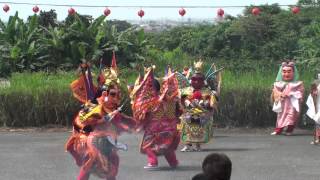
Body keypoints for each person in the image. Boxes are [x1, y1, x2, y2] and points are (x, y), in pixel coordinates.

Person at [65, 59, 136, 180]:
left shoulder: (114, 110)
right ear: (104, 95)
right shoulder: (94, 107)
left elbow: (122, 121)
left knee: (113, 163)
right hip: (93, 140)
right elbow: (81, 121)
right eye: (113, 94)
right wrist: (99, 121)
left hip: (109, 141)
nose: (116, 98)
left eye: (118, 94)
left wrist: (132, 125)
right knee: (91, 160)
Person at [130, 67, 182, 169]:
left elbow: (145, 117)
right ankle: (174, 163)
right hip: (170, 129)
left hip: (155, 130)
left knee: (148, 145)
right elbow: (177, 113)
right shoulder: (170, 100)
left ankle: (153, 162)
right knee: (167, 148)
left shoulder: (151, 102)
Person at [180, 60, 219, 151]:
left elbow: (211, 103)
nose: (196, 82)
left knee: (200, 129)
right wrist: (188, 103)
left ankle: (198, 145)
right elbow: (182, 101)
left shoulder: (207, 91)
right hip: (189, 114)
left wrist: (203, 103)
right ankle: (187, 145)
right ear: (191, 80)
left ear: (203, 81)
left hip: (202, 114)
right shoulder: (186, 90)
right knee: (187, 128)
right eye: (194, 79)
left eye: (199, 80)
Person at [270, 61, 304, 136]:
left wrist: (292, 94)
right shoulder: (278, 83)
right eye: (284, 72)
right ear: (281, 73)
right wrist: (280, 94)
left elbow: (300, 92)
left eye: (289, 72)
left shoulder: (298, 83)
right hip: (282, 103)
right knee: (280, 116)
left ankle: (290, 130)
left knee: (291, 116)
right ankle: (278, 130)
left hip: (292, 103)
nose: (286, 74)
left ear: (293, 72)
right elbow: (275, 91)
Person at [306, 73, 320, 144]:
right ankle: (317, 139)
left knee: (317, 123)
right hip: (318, 106)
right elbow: (314, 97)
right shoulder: (317, 87)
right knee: (317, 123)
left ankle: (317, 139)